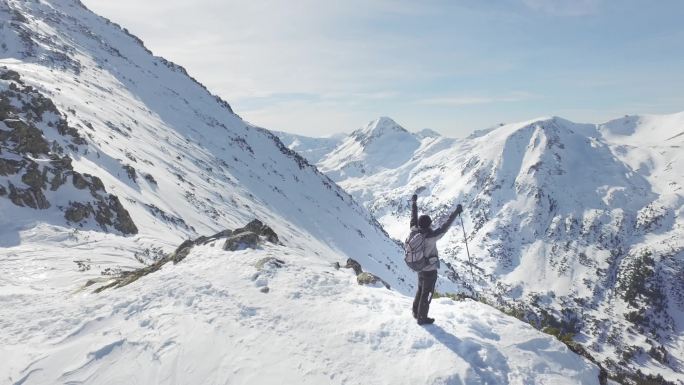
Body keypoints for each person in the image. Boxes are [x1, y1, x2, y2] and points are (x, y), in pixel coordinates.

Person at [410, 194, 462, 325]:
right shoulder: (432, 236)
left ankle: (416, 312)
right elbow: (446, 226)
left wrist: (414, 203)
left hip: (419, 267)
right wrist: (456, 212)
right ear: (429, 224)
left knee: (420, 289)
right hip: (430, 270)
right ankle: (422, 318)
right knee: (426, 294)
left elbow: (413, 217)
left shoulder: (414, 230)